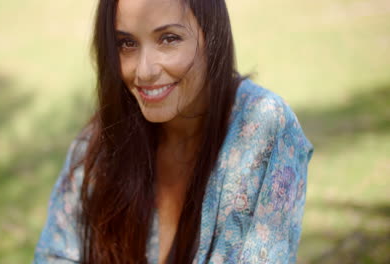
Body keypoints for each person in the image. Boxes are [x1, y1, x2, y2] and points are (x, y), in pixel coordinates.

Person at [33, 0, 313, 263]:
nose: (144, 71)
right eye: (126, 43)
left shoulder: (261, 125)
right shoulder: (103, 141)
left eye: (168, 38)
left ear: (211, 34)